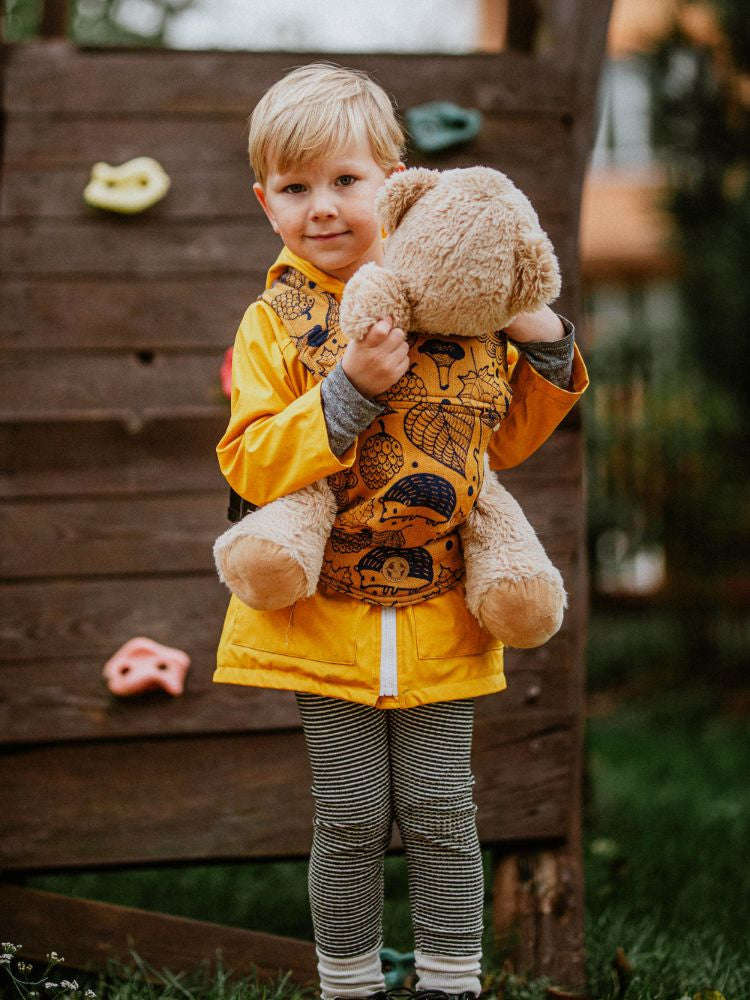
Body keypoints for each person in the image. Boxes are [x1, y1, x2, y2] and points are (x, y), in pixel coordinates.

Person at [214, 63, 588, 1000]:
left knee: (440, 809)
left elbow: (498, 439)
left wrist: (539, 338)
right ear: (268, 205)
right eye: (297, 189)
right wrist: (348, 393)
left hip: (437, 610)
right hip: (326, 616)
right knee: (348, 812)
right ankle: (348, 987)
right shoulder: (274, 322)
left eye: (346, 180)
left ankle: (453, 984)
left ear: (396, 183)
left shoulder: (460, 316)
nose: (324, 208)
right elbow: (250, 458)